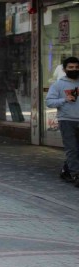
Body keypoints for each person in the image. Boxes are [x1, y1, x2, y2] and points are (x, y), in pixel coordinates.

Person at [46, 56, 79, 186]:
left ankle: (66, 170)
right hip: (67, 120)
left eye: (76, 67)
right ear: (65, 69)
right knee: (72, 148)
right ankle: (76, 174)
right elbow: (49, 102)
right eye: (71, 67)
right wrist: (64, 99)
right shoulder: (59, 84)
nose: (74, 69)